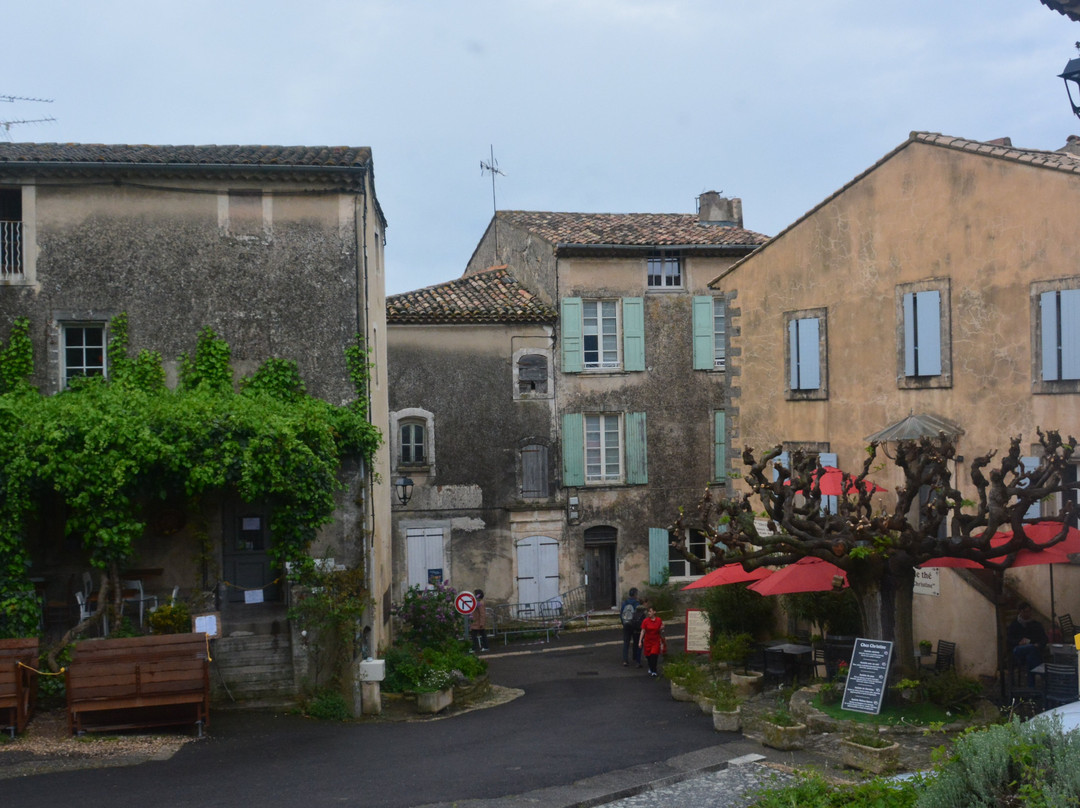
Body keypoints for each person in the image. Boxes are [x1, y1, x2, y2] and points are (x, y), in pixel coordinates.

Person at [1008, 602, 1047, 686]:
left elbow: (1044, 639)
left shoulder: (1036, 625)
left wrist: (1038, 645)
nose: (1028, 614)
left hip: (1033, 651)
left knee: (1030, 657)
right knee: (1030, 649)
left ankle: (1031, 687)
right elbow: (1009, 640)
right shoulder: (1014, 625)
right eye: (1026, 611)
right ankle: (1042, 676)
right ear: (1020, 612)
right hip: (1018, 652)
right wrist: (1019, 642)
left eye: (1029, 611)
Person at [638, 605, 665, 677]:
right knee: (648, 656)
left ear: (654, 612)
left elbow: (661, 631)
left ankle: (654, 670)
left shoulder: (659, 620)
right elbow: (643, 631)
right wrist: (640, 641)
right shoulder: (645, 621)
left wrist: (662, 629)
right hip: (647, 641)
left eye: (650, 611)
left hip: (655, 640)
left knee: (654, 655)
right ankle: (650, 667)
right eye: (648, 611)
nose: (649, 613)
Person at [619, 587, 640, 666]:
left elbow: (621, 614)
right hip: (634, 625)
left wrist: (624, 623)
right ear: (635, 594)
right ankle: (635, 658)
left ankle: (625, 660)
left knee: (626, 643)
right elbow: (638, 615)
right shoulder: (637, 604)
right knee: (636, 642)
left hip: (626, 624)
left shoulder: (624, 603)